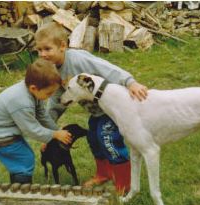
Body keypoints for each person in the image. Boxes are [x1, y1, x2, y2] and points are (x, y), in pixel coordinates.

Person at [34, 22, 148, 194]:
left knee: (107, 138)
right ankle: (104, 173)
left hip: (113, 109)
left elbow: (109, 69)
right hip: (96, 112)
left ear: (62, 46)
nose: (43, 54)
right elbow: (56, 104)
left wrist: (130, 82)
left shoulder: (79, 60)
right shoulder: (53, 71)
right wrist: (47, 134)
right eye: (39, 50)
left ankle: (124, 185)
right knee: (94, 138)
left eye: (47, 49)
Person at [0, 58, 72, 184]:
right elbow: (31, 130)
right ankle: (21, 193)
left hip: (1, 129)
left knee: (20, 159)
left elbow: (41, 115)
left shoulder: (31, 91)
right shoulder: (22, 102)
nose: (49, 97)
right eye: (49, 93)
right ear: (34, 88)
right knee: (24, 159)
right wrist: (54, 135)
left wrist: (56, 130)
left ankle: (18, 183)